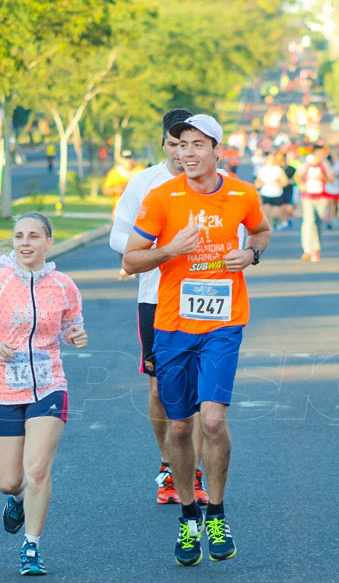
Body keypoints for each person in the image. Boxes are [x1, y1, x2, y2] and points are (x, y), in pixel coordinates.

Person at [122, 114, 272, 566]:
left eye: (197, 145)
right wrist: (170, 250)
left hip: (224, 322)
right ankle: (189, 516)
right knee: (182, 426)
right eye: (181, 145)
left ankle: (217, 511)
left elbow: (262, 230)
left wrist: (251, 253)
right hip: (171, 324)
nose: (186, 153)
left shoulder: (242, 194)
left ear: (216, 150)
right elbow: (130, 259)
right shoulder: (161, 197)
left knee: (211, 422)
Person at [0, 212, 87, 575]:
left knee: (38, 470)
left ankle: (32, 547)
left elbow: (72, 325)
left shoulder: (62, 285)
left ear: (48, 243)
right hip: (2, 388)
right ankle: (16, 500)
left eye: (33, 236)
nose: (25, 242)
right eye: (19, 236)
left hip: (48, 385)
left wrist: (75, 336)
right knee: (10, 481)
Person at [108, 107, 209, 506]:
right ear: (164, 143)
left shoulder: (217, 183)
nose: (180, 152)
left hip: (205, 299)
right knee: (158, 386)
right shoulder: (145, 182)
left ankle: (195, 471)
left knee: (199, 387)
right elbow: (119, 236)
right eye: (173, 143)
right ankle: (169, 464)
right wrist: (157, 250)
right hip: (155, 296)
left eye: (189, 144)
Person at [294, 149, 328, 261]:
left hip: (321, 197)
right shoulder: (306, 165)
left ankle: (315, 249)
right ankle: (309, 249)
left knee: (318, 222)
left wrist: (322, 178)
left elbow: (331, 178)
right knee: (309, 221)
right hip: (307, 197)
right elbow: (297, 176)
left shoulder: (324, 165)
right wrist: (301, 185)